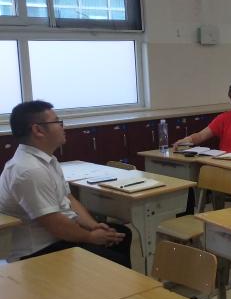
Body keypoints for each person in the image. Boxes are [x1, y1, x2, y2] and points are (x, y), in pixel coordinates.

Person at [0, 101, 132, 266]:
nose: (63, 127)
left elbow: (68, 199)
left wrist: (94, 226)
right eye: (57, 122)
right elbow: (54, 223)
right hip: (38, 251)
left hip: (58, 237)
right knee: (115, 260)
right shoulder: (28, 170)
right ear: (38, 130)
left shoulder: (48, 159)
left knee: (121, 235)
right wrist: (90, 237)